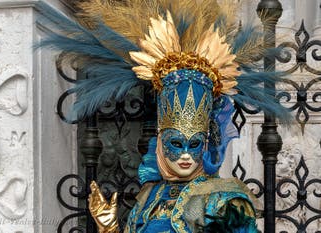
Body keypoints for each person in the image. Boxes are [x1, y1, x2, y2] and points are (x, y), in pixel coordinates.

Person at [38, 0, 291, 232]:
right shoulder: (149, 198)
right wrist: (109, 227)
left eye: (193, 145)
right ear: (160, 143)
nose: (184, 156)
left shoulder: (223, 202)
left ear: (205, 145)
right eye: (176, 143)